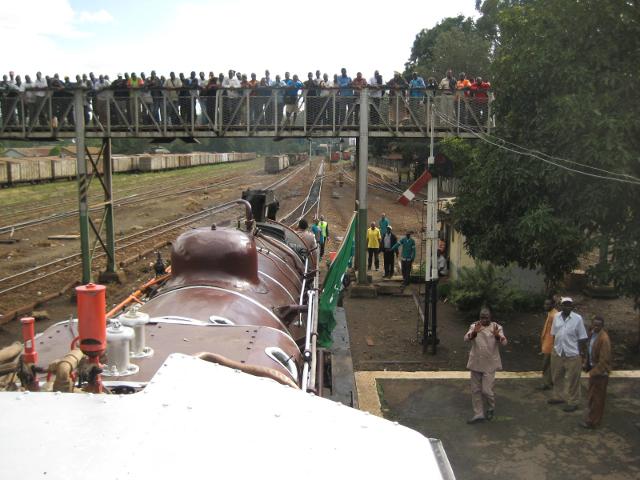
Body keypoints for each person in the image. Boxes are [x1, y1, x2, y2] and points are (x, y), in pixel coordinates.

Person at [464, 307, 508, 424]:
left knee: (487, 391)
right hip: (476, 362)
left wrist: (497, 336)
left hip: (490, 364)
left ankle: (490, 408)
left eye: (486, 317)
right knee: (475, 390)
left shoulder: (496, 327)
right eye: (481, 317)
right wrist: (474, 333)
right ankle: (478, 414)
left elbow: (504, 342)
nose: (483, 320)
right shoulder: (475, 326)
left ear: (490, 317)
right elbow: (466, 338)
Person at [548, 297, 588, 412]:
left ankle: (573, 401)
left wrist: (578, 353)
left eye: (569, 305)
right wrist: (555, 348)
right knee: (556, 376)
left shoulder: (577, 319)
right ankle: (558, 396)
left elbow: (582, 338)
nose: (567, 307)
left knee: (573, 379)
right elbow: (554, 334)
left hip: (572, 353)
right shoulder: (556, 317)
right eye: (564, 304)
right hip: (558, 351)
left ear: (572, 307)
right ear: (561, 306)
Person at [582, 316, 612, 429]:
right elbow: (589, 351)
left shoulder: (604, 339)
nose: (595, 327)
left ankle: (593, 422)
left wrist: (593, 372)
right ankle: (591, 419)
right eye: (594, 324)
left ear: (602, 326)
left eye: (598, 325)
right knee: (592, 397)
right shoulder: (592, 334)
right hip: (594, 370)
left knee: (597, 399)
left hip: (600, 374)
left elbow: (604, 360)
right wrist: (586, 363)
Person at [539, 297, 558, 390]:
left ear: (553, 305)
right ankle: (548, 382)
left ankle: (548, 383)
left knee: (546, 364)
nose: (545, 306)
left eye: (548, 304)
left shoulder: (554, 315)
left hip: (550, 344)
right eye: (545, 304)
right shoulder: (551, 314)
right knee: (548, 364)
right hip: (547, 342)